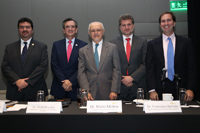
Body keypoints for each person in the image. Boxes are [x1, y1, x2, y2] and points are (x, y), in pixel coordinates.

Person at [145, 11, 197, 101]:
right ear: (160, 24)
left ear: (174, 23)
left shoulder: (186, 42)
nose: (166, 23)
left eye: (169, 20)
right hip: (159, 89)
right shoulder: (152, 44)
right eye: (163, 21)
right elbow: (149, 69)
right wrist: (152, 90)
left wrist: (190, 88)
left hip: (181, 88)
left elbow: (191, 68)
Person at [1, 17, 48, 101]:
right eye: (21, 27)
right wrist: (17, 81)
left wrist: (26, 82)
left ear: (32, 30)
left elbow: (42, 67)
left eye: (27, 27)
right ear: (18, 30)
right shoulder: (9, 47)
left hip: (35, 91)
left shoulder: (41, 47)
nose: (24, 29)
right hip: (15, 91)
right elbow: (5, 67)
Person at [78, 21, 121, 100]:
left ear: (103, 32)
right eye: (93, 31)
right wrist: (86, 91)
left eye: (98, 30)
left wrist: (114, 90)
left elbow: (116, 70)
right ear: (89, 33)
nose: (96, 33)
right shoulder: (83, 51)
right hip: (90, 93)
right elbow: (81, 73)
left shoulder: (112, 48)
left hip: (109, 92)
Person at [110, 14, 147, 101]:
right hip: (119, 87)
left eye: (129, 24)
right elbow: (111, 65)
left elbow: (145, 63)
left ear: (133, 26)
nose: (127, 27)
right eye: (124, 25)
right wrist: (123, 79)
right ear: (120, 27)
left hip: (138, 86)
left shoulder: (142, 42)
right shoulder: (112, 43)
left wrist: (131, 78)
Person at [50, 18, 87, 101]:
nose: (70, 29)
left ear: (76, 29)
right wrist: (64, 82)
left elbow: (83, 67)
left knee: (76, 113)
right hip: (59, 87)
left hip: (76, 87)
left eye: (72, 27)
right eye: (67, 27)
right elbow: (54, 65)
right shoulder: (56, 44)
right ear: (63, 30)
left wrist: (71, 81)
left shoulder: (84, 45)